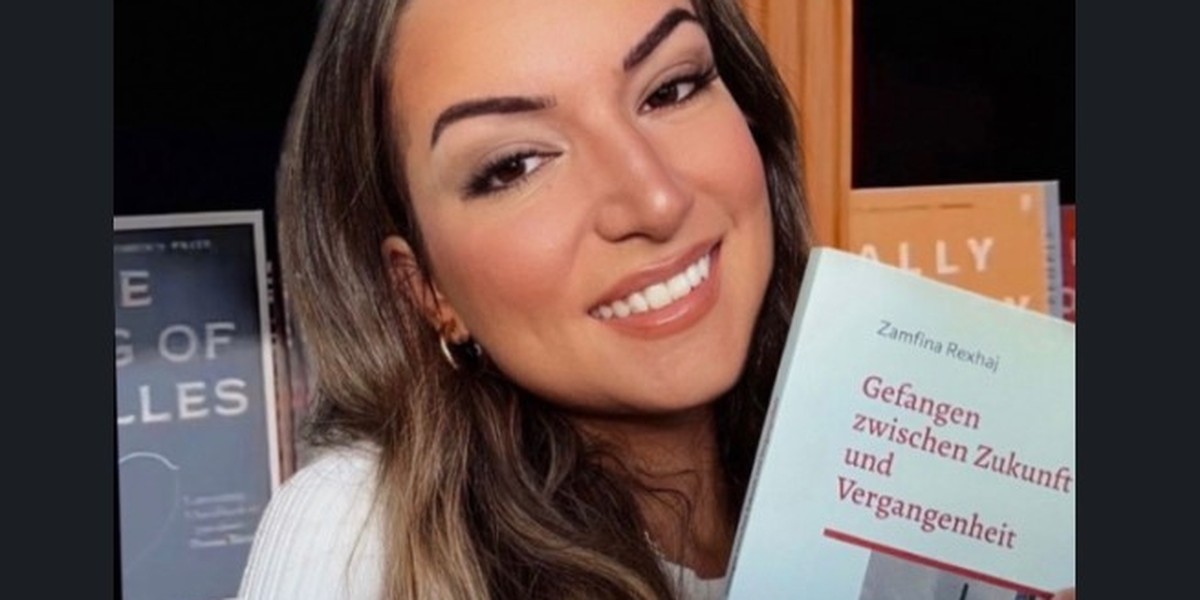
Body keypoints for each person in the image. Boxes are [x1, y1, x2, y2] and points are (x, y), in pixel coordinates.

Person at [237, 0, 1074, 598]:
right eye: (515, 164)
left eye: (670, 89)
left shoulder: (912, 488)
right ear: (423, 289)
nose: (655, 199)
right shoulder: (362, 533)